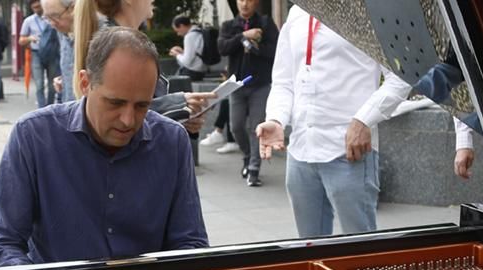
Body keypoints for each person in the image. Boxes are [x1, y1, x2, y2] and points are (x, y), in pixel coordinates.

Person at [0, 27, 208, 267]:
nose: (128, 120)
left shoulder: (172, 141)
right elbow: (1, 242)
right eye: (115, 103)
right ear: (84, 83)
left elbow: (190, 242)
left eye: (142, 105)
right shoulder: (34, 136)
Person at [256, 5, 410, 237]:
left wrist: (364, 120)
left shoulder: (367, 10)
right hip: (301, 152)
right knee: (311, 251)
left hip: (348, 151)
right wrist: (276, 119)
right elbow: (284, 81)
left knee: (360, 251)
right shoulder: (297, 12)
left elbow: (401, 77)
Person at [73, 0, 212, 133]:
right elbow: (119, 114)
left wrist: (180, 119)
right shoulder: (115, 49)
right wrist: (177, 104)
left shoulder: (120, 44)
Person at [218, 0, 276, 187]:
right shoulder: (229, 26)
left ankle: (253, 169)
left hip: (260, 84)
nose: (244, 4)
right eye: (241, 0)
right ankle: (248, 156)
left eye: (248, 0)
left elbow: (275, 50)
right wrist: (243, 36)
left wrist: (254, 46)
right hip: (237, 85)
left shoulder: (266, 23)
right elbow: (222, 47)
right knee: (236, 127)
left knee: (256, 128)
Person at [18, 0, 53, 107]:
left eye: (38, 7)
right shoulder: (29, 21)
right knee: (39, 84)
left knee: (53, 84)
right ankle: (42, 108)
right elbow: (21, 40)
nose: (37, 9)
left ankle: (50, 106)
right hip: (36, 53)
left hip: (51, 53)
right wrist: (29, 38)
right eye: (34, 8)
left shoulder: (50, 18)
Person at [41, 0, 74, 102]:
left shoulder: (99, 34)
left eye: (55, 16)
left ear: (73, 8)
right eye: (47, 18)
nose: (52, 23)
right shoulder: (62, 32)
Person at [169, 14, 204, 81]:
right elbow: (195, 53)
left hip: (192, 72)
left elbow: (187, 62)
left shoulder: (189, 37)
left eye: (178, 30)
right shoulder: (199, 32)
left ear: (182, 26)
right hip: (201, 70)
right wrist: (182, 52)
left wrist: (176, 54)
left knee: (172, 83)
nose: (178, 34)